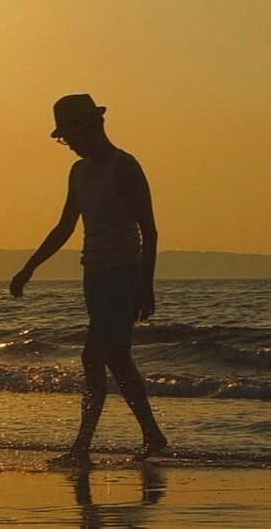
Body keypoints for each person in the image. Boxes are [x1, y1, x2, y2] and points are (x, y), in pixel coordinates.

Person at [10, 94, 167, 466]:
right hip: (93, 274)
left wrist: (146, 286)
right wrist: (30, 267)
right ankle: (152, 434)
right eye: (65, 139)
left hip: (123, 273)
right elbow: (65, 226)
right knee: (117, 359)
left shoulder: (124, 167)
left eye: (72, 137)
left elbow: (150, 230)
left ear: (94, 127)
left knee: (92, 356)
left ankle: (81, 448)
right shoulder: (78, 173)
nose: (71, 145)